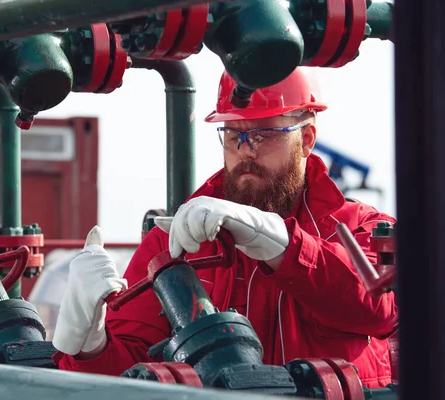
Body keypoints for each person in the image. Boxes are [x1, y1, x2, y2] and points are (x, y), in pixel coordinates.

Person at [51, 67, 399, 389]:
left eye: (265, 134)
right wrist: (91, 347)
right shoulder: (174, 241)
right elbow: (130, 375)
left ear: (306, 139)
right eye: (234, 136)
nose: (246, 152)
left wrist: (282, 244)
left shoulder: (363, 228)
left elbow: (382, 307)